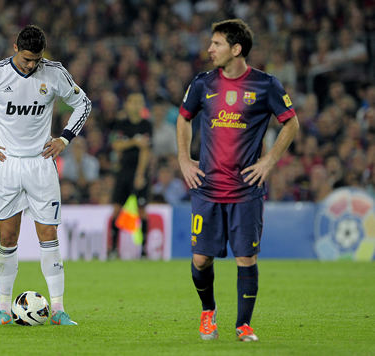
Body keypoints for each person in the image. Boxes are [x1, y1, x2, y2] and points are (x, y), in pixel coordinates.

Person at [0, 25, 91, 326]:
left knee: (48, 235)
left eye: (36, 59)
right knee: (7, 236)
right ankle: (2, 309)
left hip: (41, 164)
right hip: (7, 164)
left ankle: (59, 310)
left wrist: (65, 139)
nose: (31, 65)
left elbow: (84, 104)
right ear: (15, 48)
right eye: (27, 58)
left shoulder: (54, 73)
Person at [176, 19, 299, 341]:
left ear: (236, 49)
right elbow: (183, 117)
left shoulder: (265, 84)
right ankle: (208, 311)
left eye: (215, 44)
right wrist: (183, 159)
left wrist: (269, 162)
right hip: (207, 186)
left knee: (246, 257)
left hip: (246, 189)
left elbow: (291, 123)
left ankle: (243, 326)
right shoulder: (203, 83)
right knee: (201, 259)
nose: (209, 49)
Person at [109, 93, 152, 259]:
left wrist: (140, 174)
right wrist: (134, 141)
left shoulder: (147, 125)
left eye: (140, 102)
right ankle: (113, 249)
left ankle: (143, 250)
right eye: (133, 101)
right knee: (117, 210)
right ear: (126, 104)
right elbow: (116, 145)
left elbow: (146, 150)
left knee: (142, 211)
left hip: (139, 172)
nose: (137, 105)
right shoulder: (121, 124)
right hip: (123, 172)